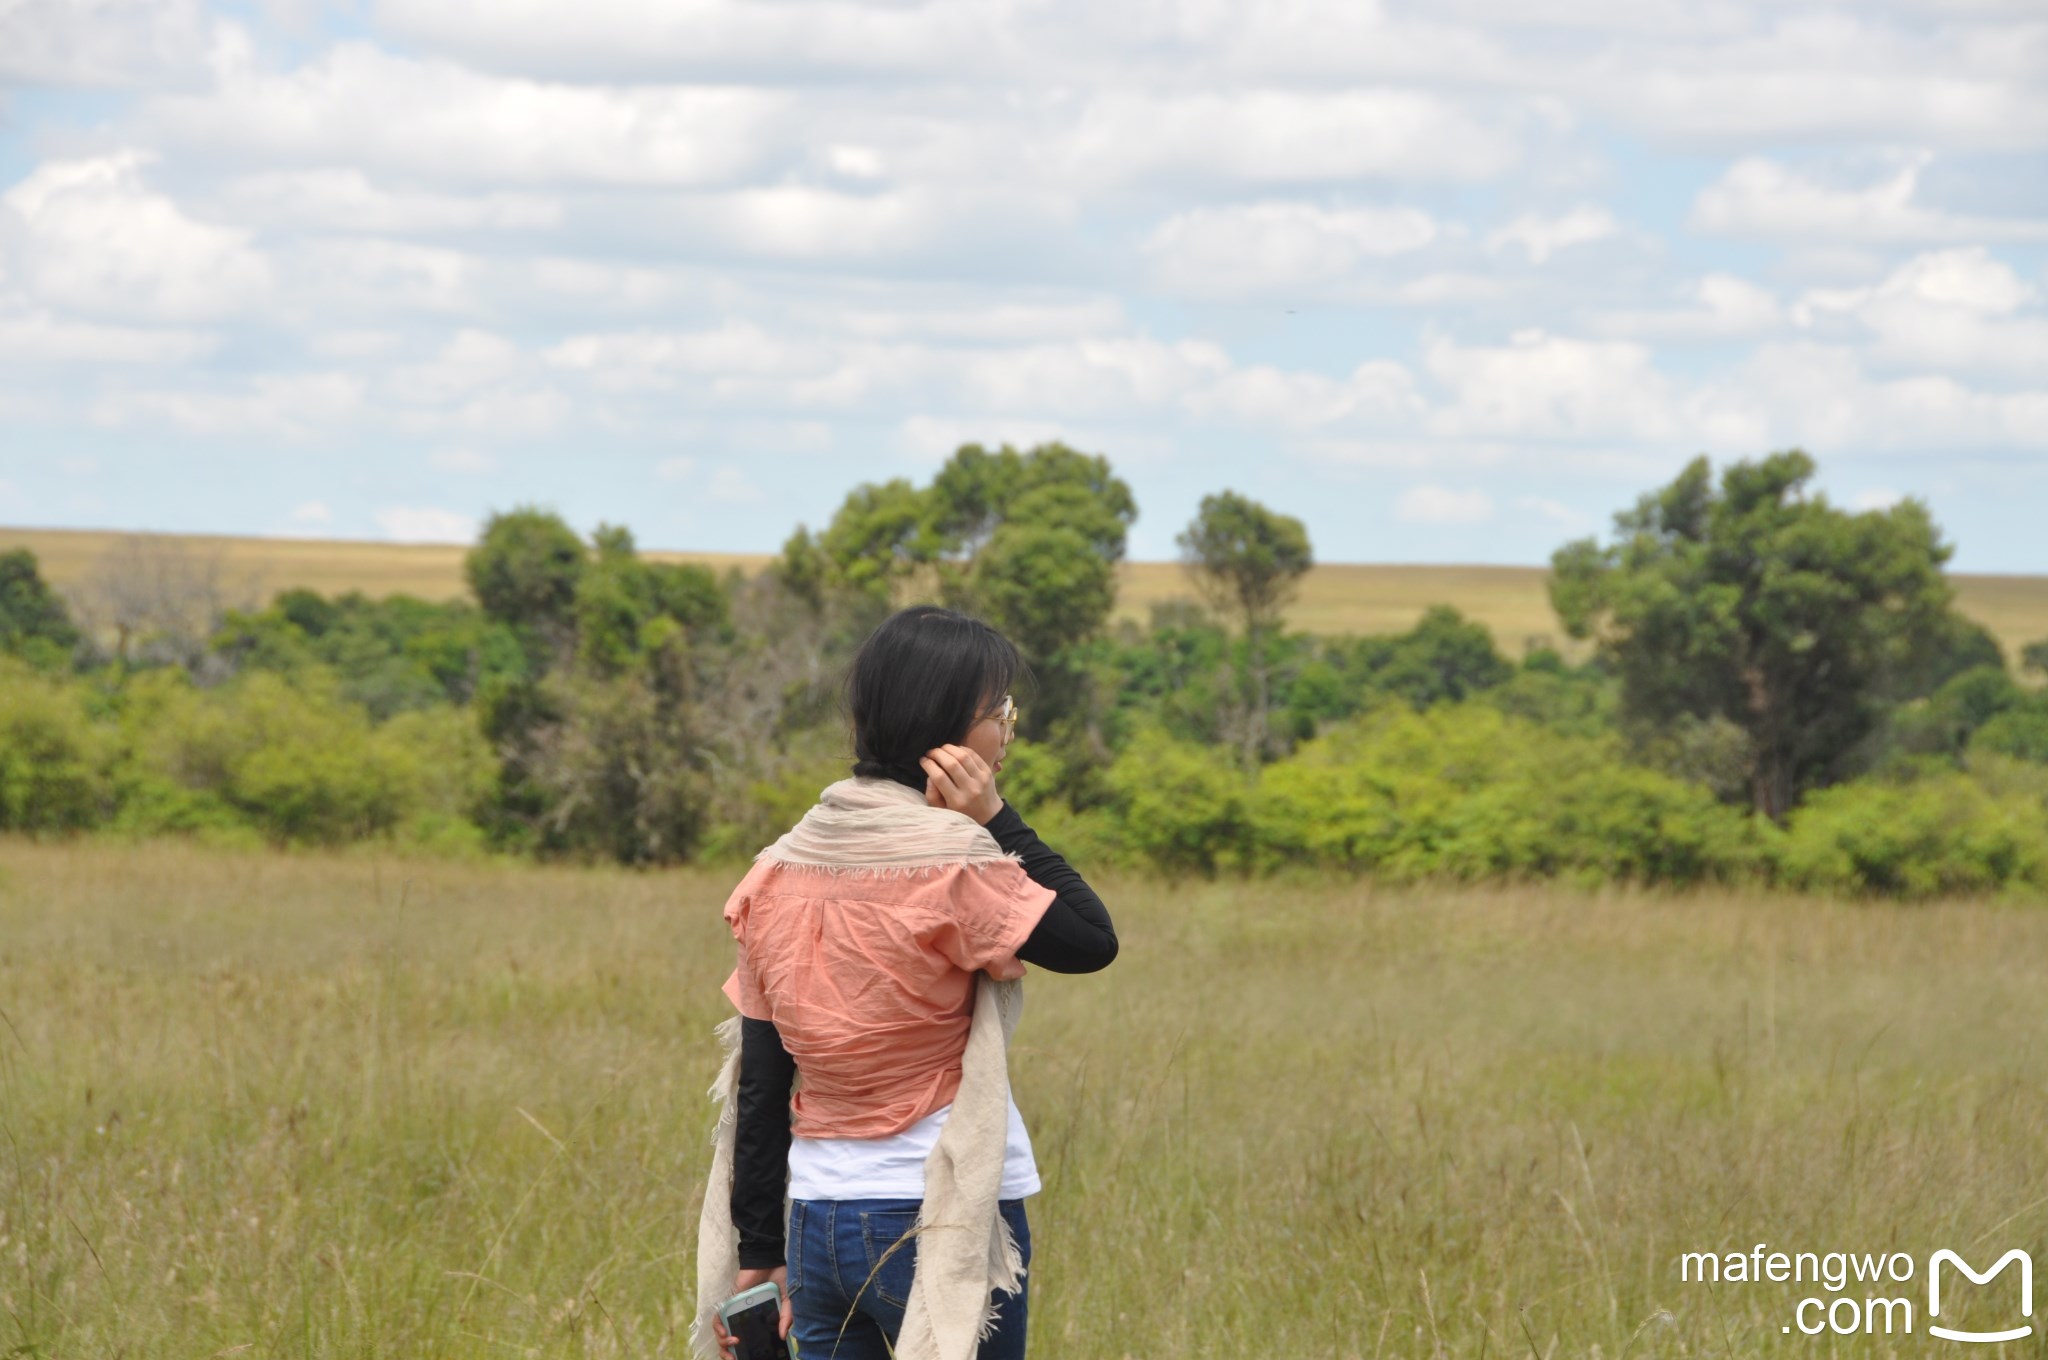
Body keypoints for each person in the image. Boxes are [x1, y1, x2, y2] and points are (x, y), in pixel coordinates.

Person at [706, 604, 1118, 1360]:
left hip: (816, 1220)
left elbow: (763, 1082)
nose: (1007, 732)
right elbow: (1091, 940)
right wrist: (999, 819)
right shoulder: (957, 860)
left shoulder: (777, 869)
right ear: (950, 730)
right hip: (937, 1214)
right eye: (1000, 712)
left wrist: (761, 1246)